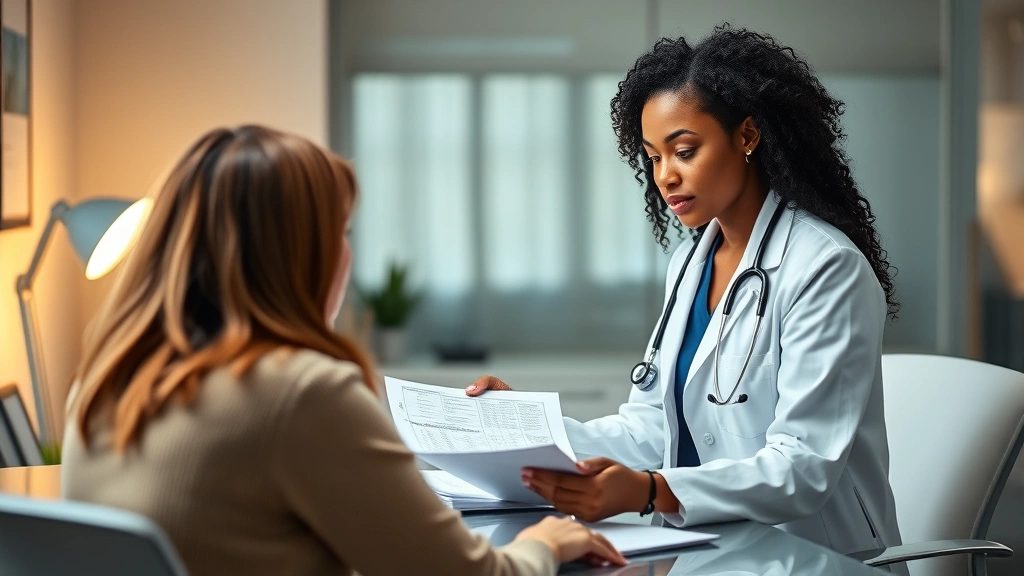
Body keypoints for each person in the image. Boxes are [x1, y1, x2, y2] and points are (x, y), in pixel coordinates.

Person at [61, 125, 626, 576]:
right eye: (343, 232)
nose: (346, 256)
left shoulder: (107, 380)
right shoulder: (299, 393)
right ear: (297, 253)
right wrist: (545, 544)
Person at [468, 25, 906, 568]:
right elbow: (653, 425)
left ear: (747, 136)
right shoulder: (691, 262)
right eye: (652, 157)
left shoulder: (825, 268)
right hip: (714, 551)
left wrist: (652, 491)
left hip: (812, 556)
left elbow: (803, 467)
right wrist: (532, 431)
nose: (665, 177)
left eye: (684, 150)